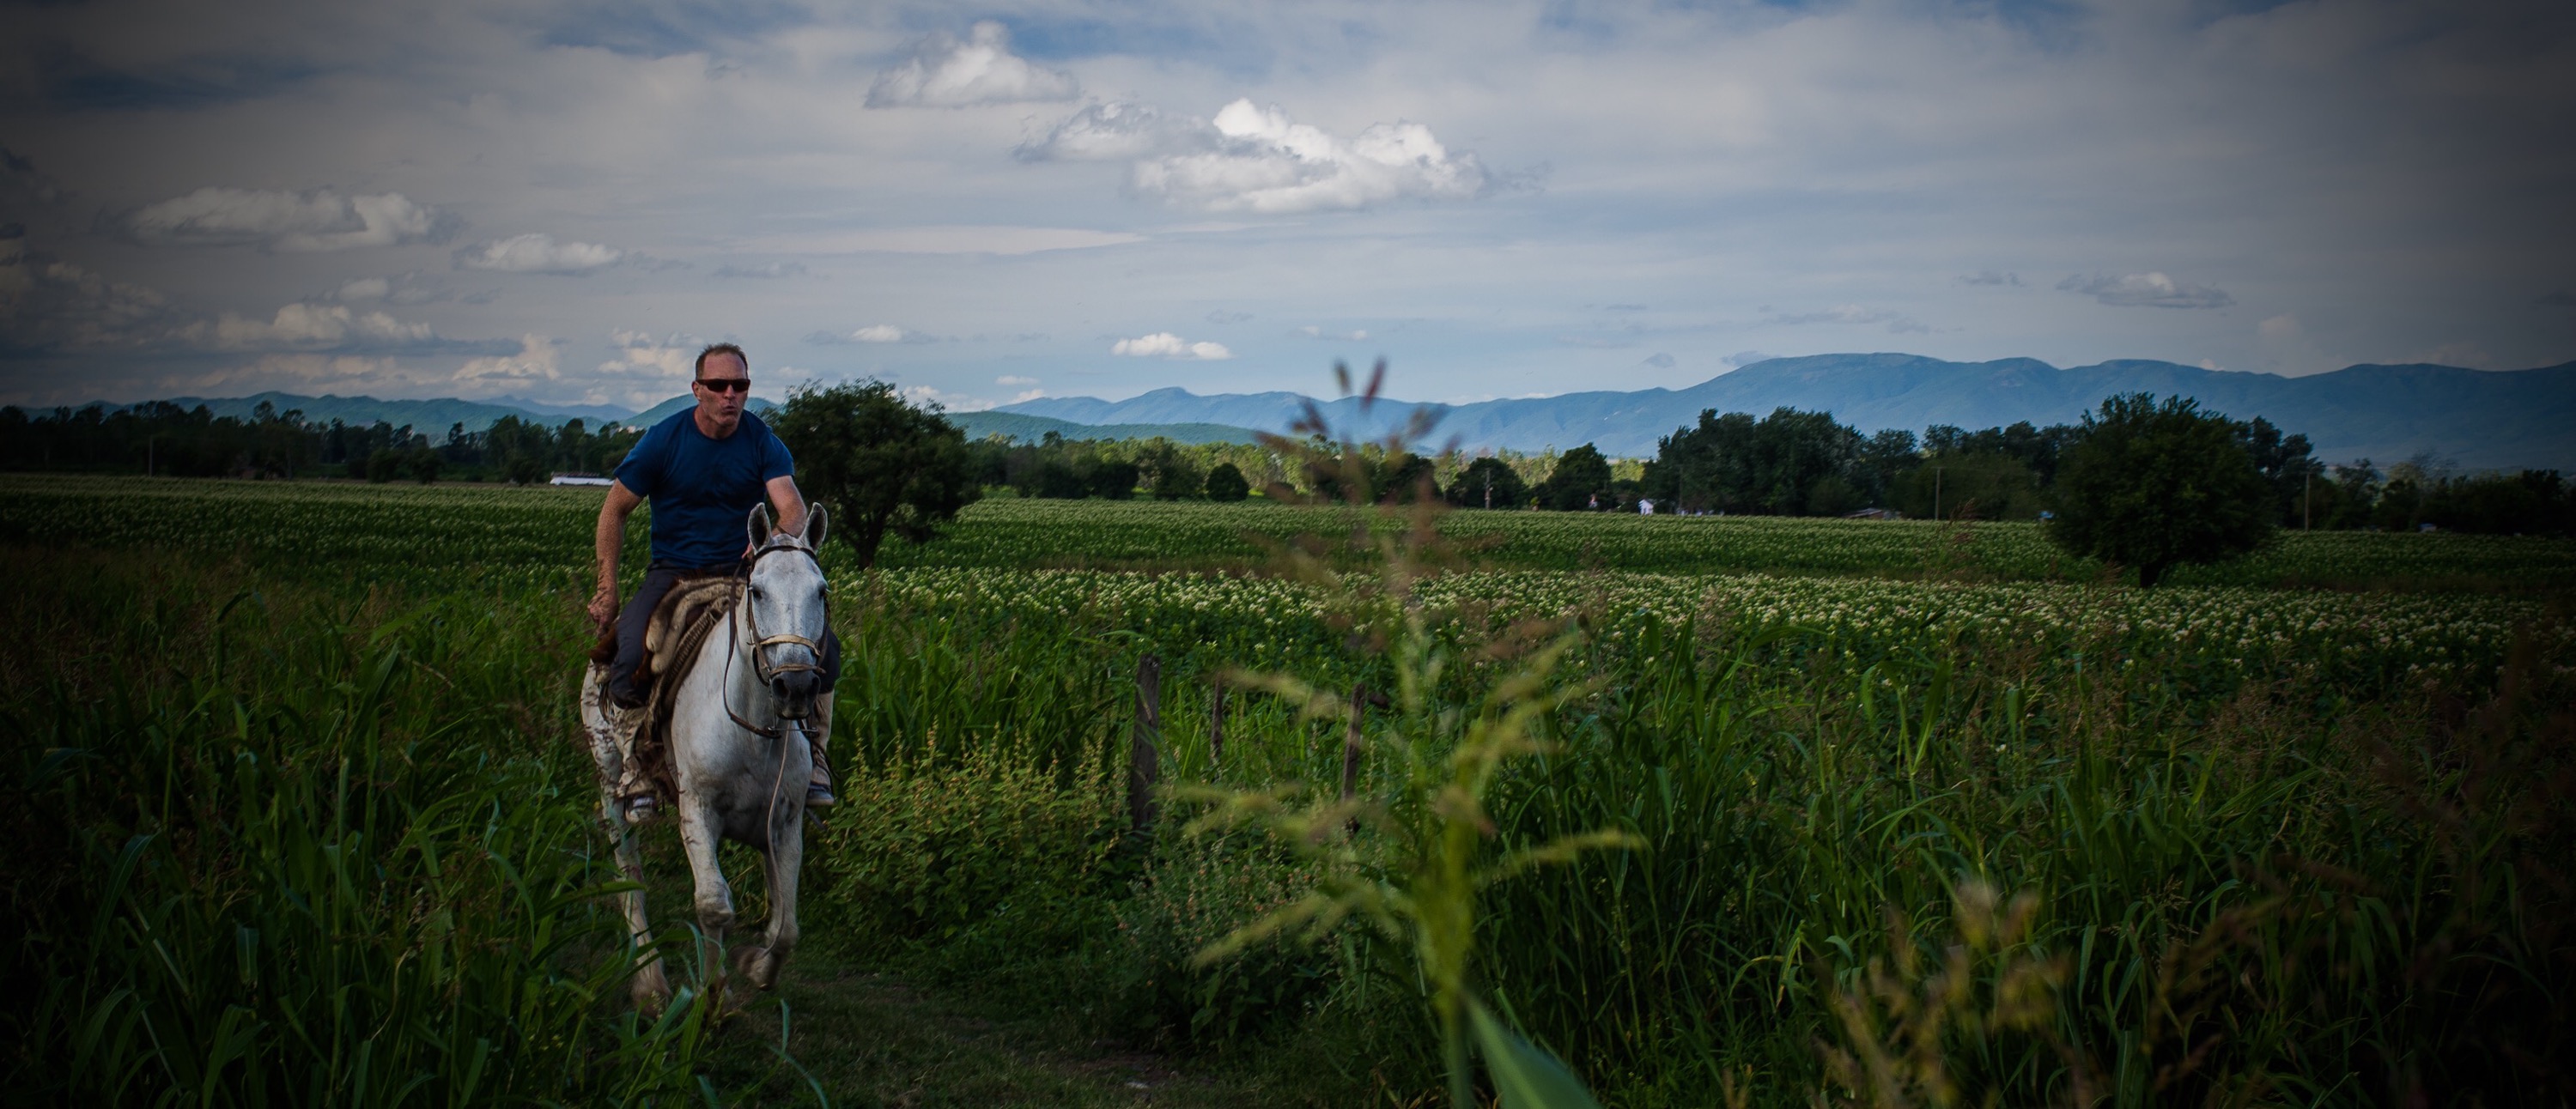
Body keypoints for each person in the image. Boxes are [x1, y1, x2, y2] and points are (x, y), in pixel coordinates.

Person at [588, 342, 839, 821]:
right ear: (697, 389)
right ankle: (636, 764)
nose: (730, 395)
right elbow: (614, 510)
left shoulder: (762, 441)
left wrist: (771, 541)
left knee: (824, 650)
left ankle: (814, 757)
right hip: (673, 571)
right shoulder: (663, 440)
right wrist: (608, 587)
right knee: (629, 652)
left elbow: (792, 509)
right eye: (719, 385)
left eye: (739, 386)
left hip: (740, 571)